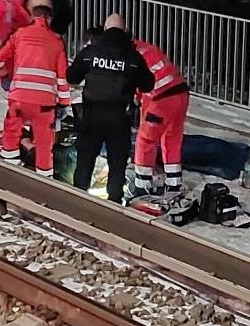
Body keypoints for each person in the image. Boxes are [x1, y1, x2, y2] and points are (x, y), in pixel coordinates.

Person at [66, 14, 154, 203]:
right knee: (117, 162)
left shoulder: (91, 52)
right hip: (119, 116)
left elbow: (72, 76)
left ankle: (78, 199)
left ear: (105, 30)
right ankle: (114, 202)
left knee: (85, 158)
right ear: (126, 32)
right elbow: (148, 84)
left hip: (91, 115)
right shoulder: (133, 57)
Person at [0, 0, 70, 178]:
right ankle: (44, 181)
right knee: (44, 145)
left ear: (32, 15)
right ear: (49, 18)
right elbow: (62, 78)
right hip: (44, 105)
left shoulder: (19, 34)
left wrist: (5, 78)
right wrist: (64, 103)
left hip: (19, 98)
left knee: (11, 135)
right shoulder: (57, 41)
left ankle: (8, 172)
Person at [133, 38, 189, 194]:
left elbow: (138, 87)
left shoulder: (128, 55)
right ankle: (174, 184)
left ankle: (142, 187)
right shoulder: (145, 48)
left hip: (162, 99)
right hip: (181, 93)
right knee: (171, 139)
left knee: (145, 140)